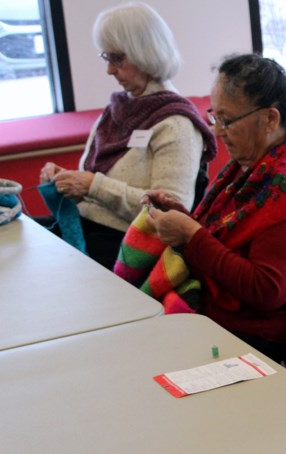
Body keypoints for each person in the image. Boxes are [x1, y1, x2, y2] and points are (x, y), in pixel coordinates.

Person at [131, 53, 286, 363]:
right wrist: (184, 219)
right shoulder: (253, 167)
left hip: (256, 341)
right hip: (216, 319)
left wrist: (191, 235)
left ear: (270, 119)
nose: (217, 131)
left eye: (227, 120)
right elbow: (226, 239)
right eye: (214, 117)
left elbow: (266, 290)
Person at [39, 2, 215, 269]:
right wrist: (67, 181)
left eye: (117, 58)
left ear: (145, 53)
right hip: (89, 231)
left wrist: (92, 186)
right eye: (106, 58)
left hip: (130, 249)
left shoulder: (177, 123)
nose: (109, 70)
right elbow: (95, 182)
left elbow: (170, 213)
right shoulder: (116, 110)